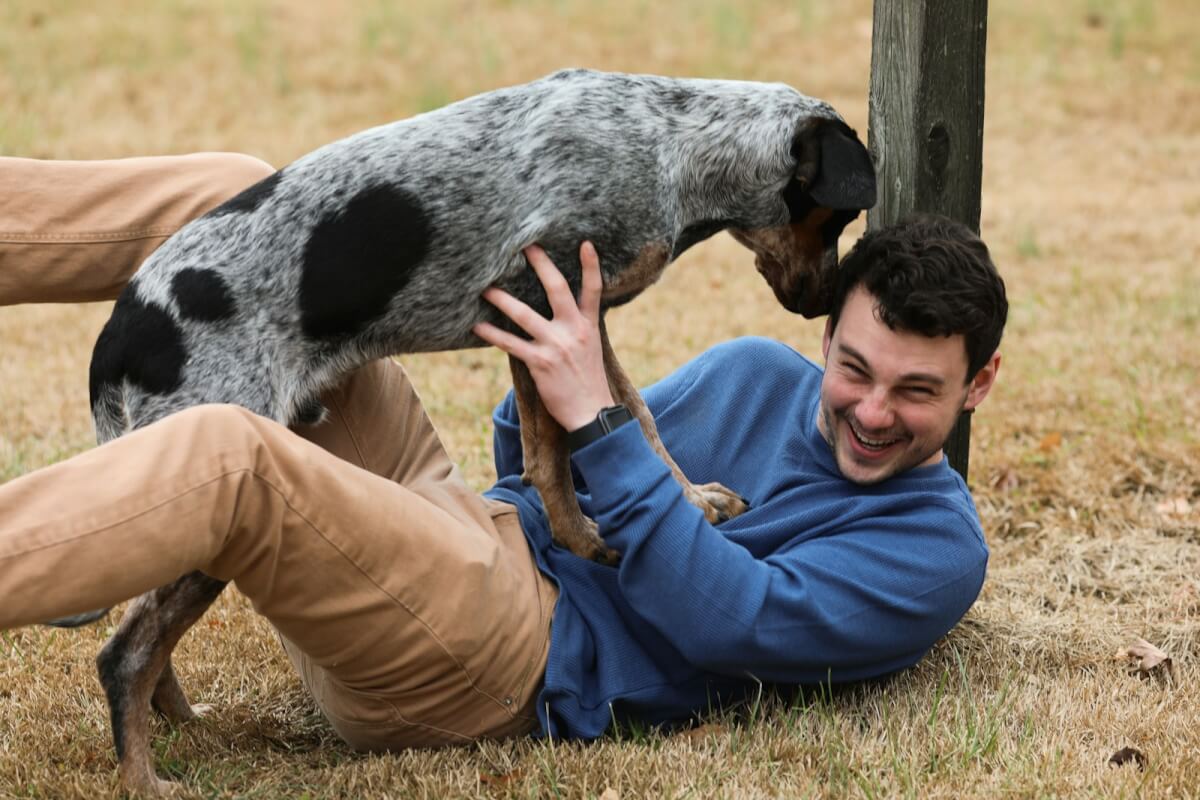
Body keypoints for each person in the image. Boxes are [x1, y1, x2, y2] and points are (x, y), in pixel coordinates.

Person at [0, 154, 1005, 753]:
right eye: (854, 368)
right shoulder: (754, 370)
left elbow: (725, 621)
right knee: (242, 198)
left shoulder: (933, 547)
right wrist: (565, 404)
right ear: (826, 335)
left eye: (917, 391)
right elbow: (517, 453)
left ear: (978, 385)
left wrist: (604, 427)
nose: (873, 410)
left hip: (506, 655)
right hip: (459, 532)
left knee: (231, 453)